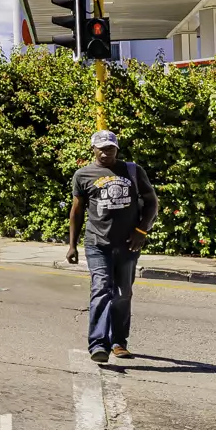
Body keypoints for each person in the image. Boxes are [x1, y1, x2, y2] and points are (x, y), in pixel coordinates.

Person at [67, 129, 157, 364]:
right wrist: (72, 245)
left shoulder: (133, 171)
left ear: (117, 149)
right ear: (93, 149)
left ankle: (118, 342)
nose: (106, 153)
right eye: (101, 149)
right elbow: (76, 211)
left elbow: (152, 202)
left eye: (110, 148)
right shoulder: (83, 175)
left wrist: (141, 231)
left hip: (128, 244)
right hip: (97, 243)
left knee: (123, 293)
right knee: (101, 288)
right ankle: (98, 344)